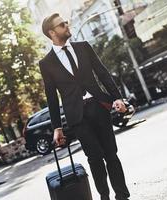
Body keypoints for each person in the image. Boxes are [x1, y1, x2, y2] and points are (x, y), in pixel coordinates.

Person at [39, 13, 130, 200]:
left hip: (99, 106)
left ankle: (122, 196)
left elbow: (103, 73)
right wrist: (57, 127)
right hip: (77, 117)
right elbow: (51, 98)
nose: (66, 25)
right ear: (52, 32)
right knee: (94, 158)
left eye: (66, 22)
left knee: (111, 154)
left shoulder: (83, 47)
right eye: (62, 24)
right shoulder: (46, 63)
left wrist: (117, 98)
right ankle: (104, 196)